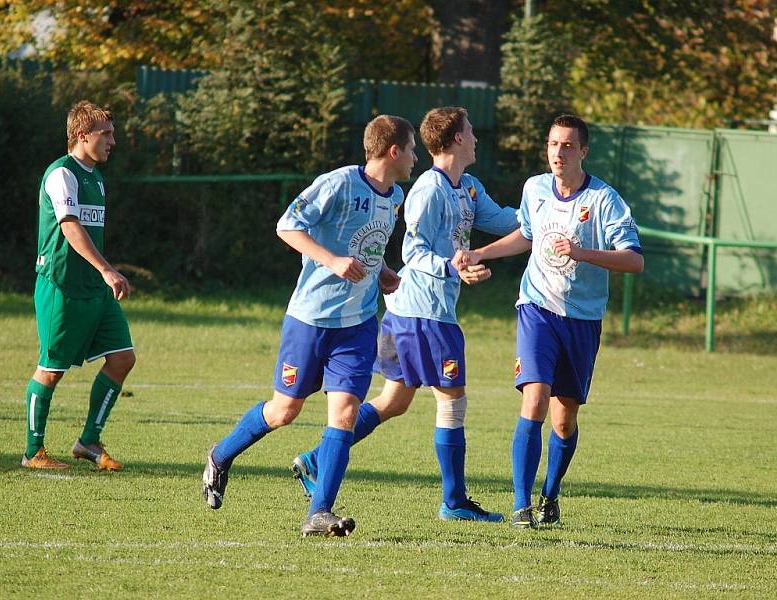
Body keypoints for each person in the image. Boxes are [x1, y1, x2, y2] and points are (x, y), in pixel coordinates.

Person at [291, 106, 518, 522]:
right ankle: (454, 501)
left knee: (394, 401)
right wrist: (453, 266)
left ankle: (316, 459)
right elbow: (413, 253)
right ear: (456, 140)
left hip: (413, 311)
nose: (477, 138)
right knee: (453, 399)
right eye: (471, 131)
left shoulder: (466, 187)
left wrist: (546, 220)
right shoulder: (428, 189)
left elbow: (503, 219)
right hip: (422, 311)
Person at [201, 115, 417, 537]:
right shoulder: (337, 184)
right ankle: (221, 454)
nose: (415, 158)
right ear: (393, 151)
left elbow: (367, 245)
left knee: (346, 413)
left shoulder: (395, 196)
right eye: (411, 150)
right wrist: (332, 261)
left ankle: (320, 512)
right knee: (284, 411)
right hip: (310, 320)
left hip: (357, 324)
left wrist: (384, 271)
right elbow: (288, 226)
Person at [461, 114, 644, 528]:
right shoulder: (535, 188)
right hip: (536, 308)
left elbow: (633, 259)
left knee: (564, 418)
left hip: (581, 319)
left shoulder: (604, 200)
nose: (557, 153)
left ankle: (550, 495)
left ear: (583, 151)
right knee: (535, 398)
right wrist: (481, 253)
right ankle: (521, 504)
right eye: (552, 144)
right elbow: (526, 235)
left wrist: (583, 253)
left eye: (566, 145)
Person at [23, 100, 135, 471]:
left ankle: (87, 441)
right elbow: (70, 227)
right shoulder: (62, 174)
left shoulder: (96, 178)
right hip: (62, 286)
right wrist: (108, 270)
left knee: (122, 359)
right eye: (106, 134)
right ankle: (32, 452)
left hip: (95, 291)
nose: (112, 141)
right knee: (51, 370)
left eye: (112, 133)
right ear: (82, 135)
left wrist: (102, 274)